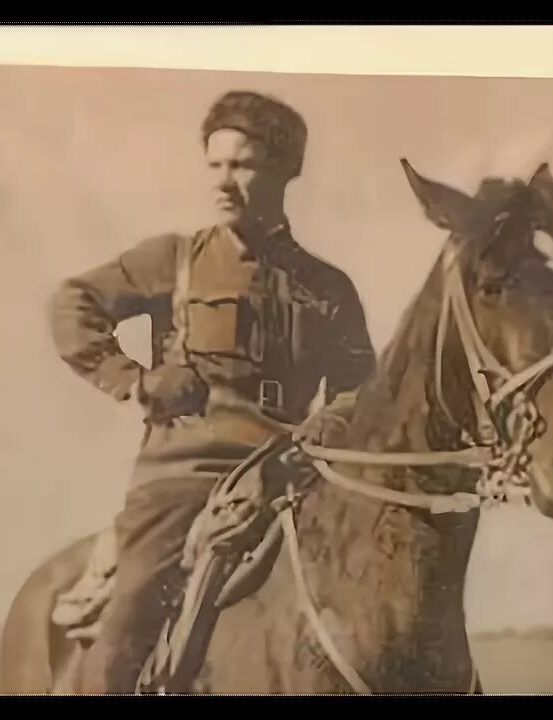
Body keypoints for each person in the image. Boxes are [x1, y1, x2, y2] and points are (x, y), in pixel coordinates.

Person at [49, 89, 377, 693]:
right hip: (185, 478)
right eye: (215, 165)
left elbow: (360, 391)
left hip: (289, 478)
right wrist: (135, 379)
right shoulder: (175, 260)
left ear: (285, 171)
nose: (223, 182)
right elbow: (74, 304)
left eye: (243, 164)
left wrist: (323, 431)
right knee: (129, 632)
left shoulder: (329, 287)